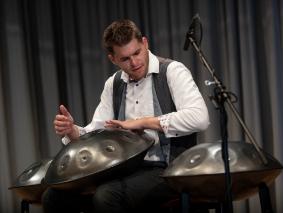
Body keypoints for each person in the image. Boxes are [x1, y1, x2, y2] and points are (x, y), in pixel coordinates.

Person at [42, 19, 209, 213]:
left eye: (137, 53)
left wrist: (143, 122)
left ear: (145, 43)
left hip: (168, 169)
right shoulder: (113, 84)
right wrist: (72, 132)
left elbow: (200, 117)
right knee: (53, 197)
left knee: (107, 196)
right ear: (113, 59)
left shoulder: (172, 71)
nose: (135, 62)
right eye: (125, 59)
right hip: (126, 169)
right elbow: (96, 132)